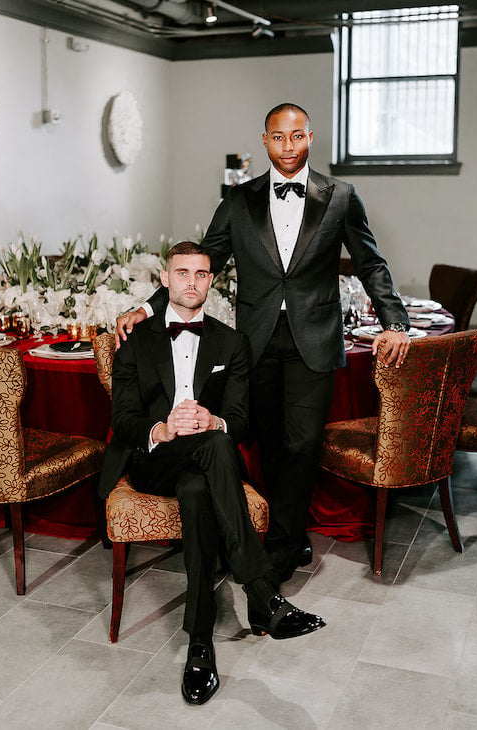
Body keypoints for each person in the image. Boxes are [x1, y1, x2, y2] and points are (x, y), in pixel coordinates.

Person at [116, 103, 411, 588]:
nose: (288, 147)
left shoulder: (341, 197)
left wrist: (395, 320)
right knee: (268, 443)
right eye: (278, 138)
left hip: (314, 338)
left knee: (302, 442)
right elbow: (200, 261)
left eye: (297, 137)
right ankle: (286, 532)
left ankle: (285, 544)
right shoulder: (239, 200)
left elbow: (371, 263)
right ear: (265, 140)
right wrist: (148, 308)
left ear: (311, 138)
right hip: (253, 342)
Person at [99, 241, 325, 706]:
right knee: (214, 453)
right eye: (181, 273)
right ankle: (261, 594)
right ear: (165, 280)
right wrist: (162, 428)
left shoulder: (230, 341)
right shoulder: (134, 341)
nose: (191, 282)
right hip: (153, 460)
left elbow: (239, 421)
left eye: (201, 274)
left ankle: (199, 643)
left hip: (206, 461)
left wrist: (214, 421)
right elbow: (123, 418)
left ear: (211, 281)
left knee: (201, 484)